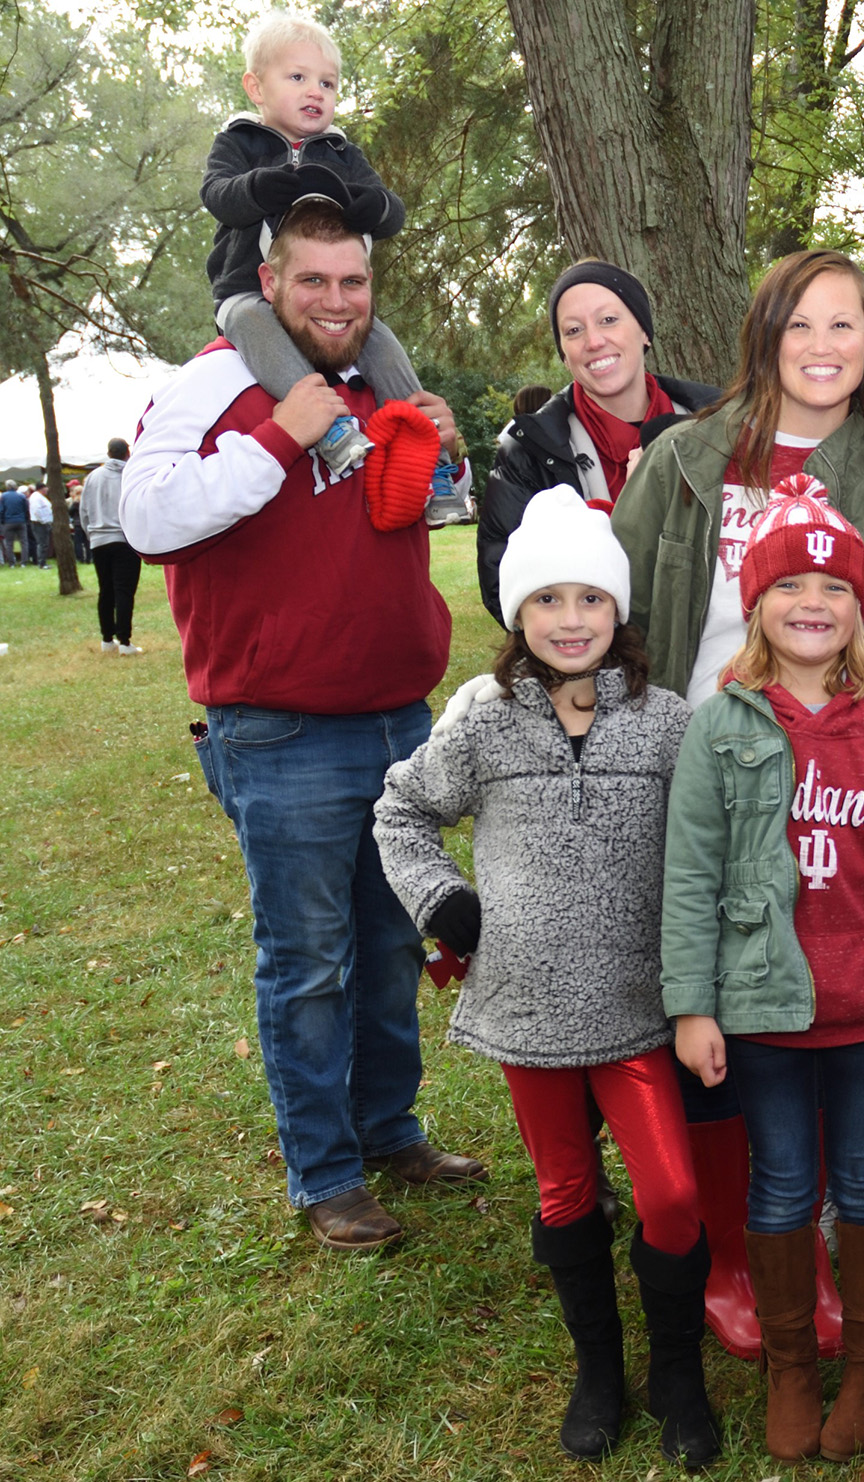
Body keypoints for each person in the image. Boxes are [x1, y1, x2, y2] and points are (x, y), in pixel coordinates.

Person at [121, 200, 481, 1252]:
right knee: (309, 959)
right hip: (278, 730)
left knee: (387, 943)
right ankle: (324, 1171)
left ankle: (390, 1129)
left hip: (398, 720)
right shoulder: (214, 380)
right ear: (270, 282)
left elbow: (413, 515)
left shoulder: (383, 380)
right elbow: (146, 518)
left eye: (353, 282)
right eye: (313, 281)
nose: (336, 301)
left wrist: (441, 458)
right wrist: (277, 436)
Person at [612, 247, 864, 1359]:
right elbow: (622, 613)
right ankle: (731, 1249)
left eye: (844, 326)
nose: (821, 346)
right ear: (765, 335)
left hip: (825, 784)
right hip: (691, 768)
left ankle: (815, 1220)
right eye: (800, 324)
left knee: (815, 996)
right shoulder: (684, 460)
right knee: (701, 995)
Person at [374, 489, 717, 1465]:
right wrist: (444, 903)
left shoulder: (663, 721)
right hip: (526, 1011)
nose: (571, 620)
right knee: (566, 1190)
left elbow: (711, 840)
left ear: (618, 611)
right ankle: (599, 1371)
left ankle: (677, 1373)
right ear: (518, 613)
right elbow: (401, 812)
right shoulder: (484, 721)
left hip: (635, 1009)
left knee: (671, 1194)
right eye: (548, 600)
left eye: (591, 599)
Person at [664, 484, 864, 1463]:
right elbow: (691, 873)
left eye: (832, 584)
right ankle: (792, 1364)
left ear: (856, 609)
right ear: (754, 602)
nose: (810, 600)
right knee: (783, 1182)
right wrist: (692, 1006)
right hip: (765, 1011)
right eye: (787, 581)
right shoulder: (723, 727)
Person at [201, 12, 426, 475]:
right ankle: (330, 429)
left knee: (381, 343)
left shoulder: (342, 152)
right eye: (298, 77)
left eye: (327, 83)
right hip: (245, 290)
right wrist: (260, 187)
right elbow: (217, 196)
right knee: (252, 324)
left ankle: (428, 451)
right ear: (256, 88)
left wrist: (371, 206)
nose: (314, 91)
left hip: (327, 297)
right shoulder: (238, 142)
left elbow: (393, 212)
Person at [477, 260, 719, 622]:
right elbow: (504, 584)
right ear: (563, 351)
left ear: (644, 331)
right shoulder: (527, 451)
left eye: (608, 320)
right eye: (574, 330)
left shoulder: (721, 424)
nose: (593, 341)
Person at [81, 441, 142, 653]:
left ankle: (107, 639)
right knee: (124, 591)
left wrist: (92, 534)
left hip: (99, 540)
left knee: (105, 590)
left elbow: (84, 510)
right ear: (127, 453)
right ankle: (124, 641)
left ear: (108, 453)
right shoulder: (131, 475)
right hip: (124, 540)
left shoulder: (93, 477)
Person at [26, 483, 53, 568]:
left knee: (44, 543)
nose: (47, 491)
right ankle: (41, 563)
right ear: (42, 488)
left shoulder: (40, 496)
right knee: (42, 543)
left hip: (43, 522)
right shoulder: (36, 497)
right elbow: (36, 510)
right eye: (46, 489)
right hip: (39, 523)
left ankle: (43, 561)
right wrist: (43, 520)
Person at [0, 482, 25, 567]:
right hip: (21, 521)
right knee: (24, 542)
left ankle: (12, 563)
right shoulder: (21, 496)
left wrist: (2, 521)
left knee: (9, 543)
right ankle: (24, 562)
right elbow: (26, 508)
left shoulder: (4, 496)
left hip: (8, 521)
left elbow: (1, 510)